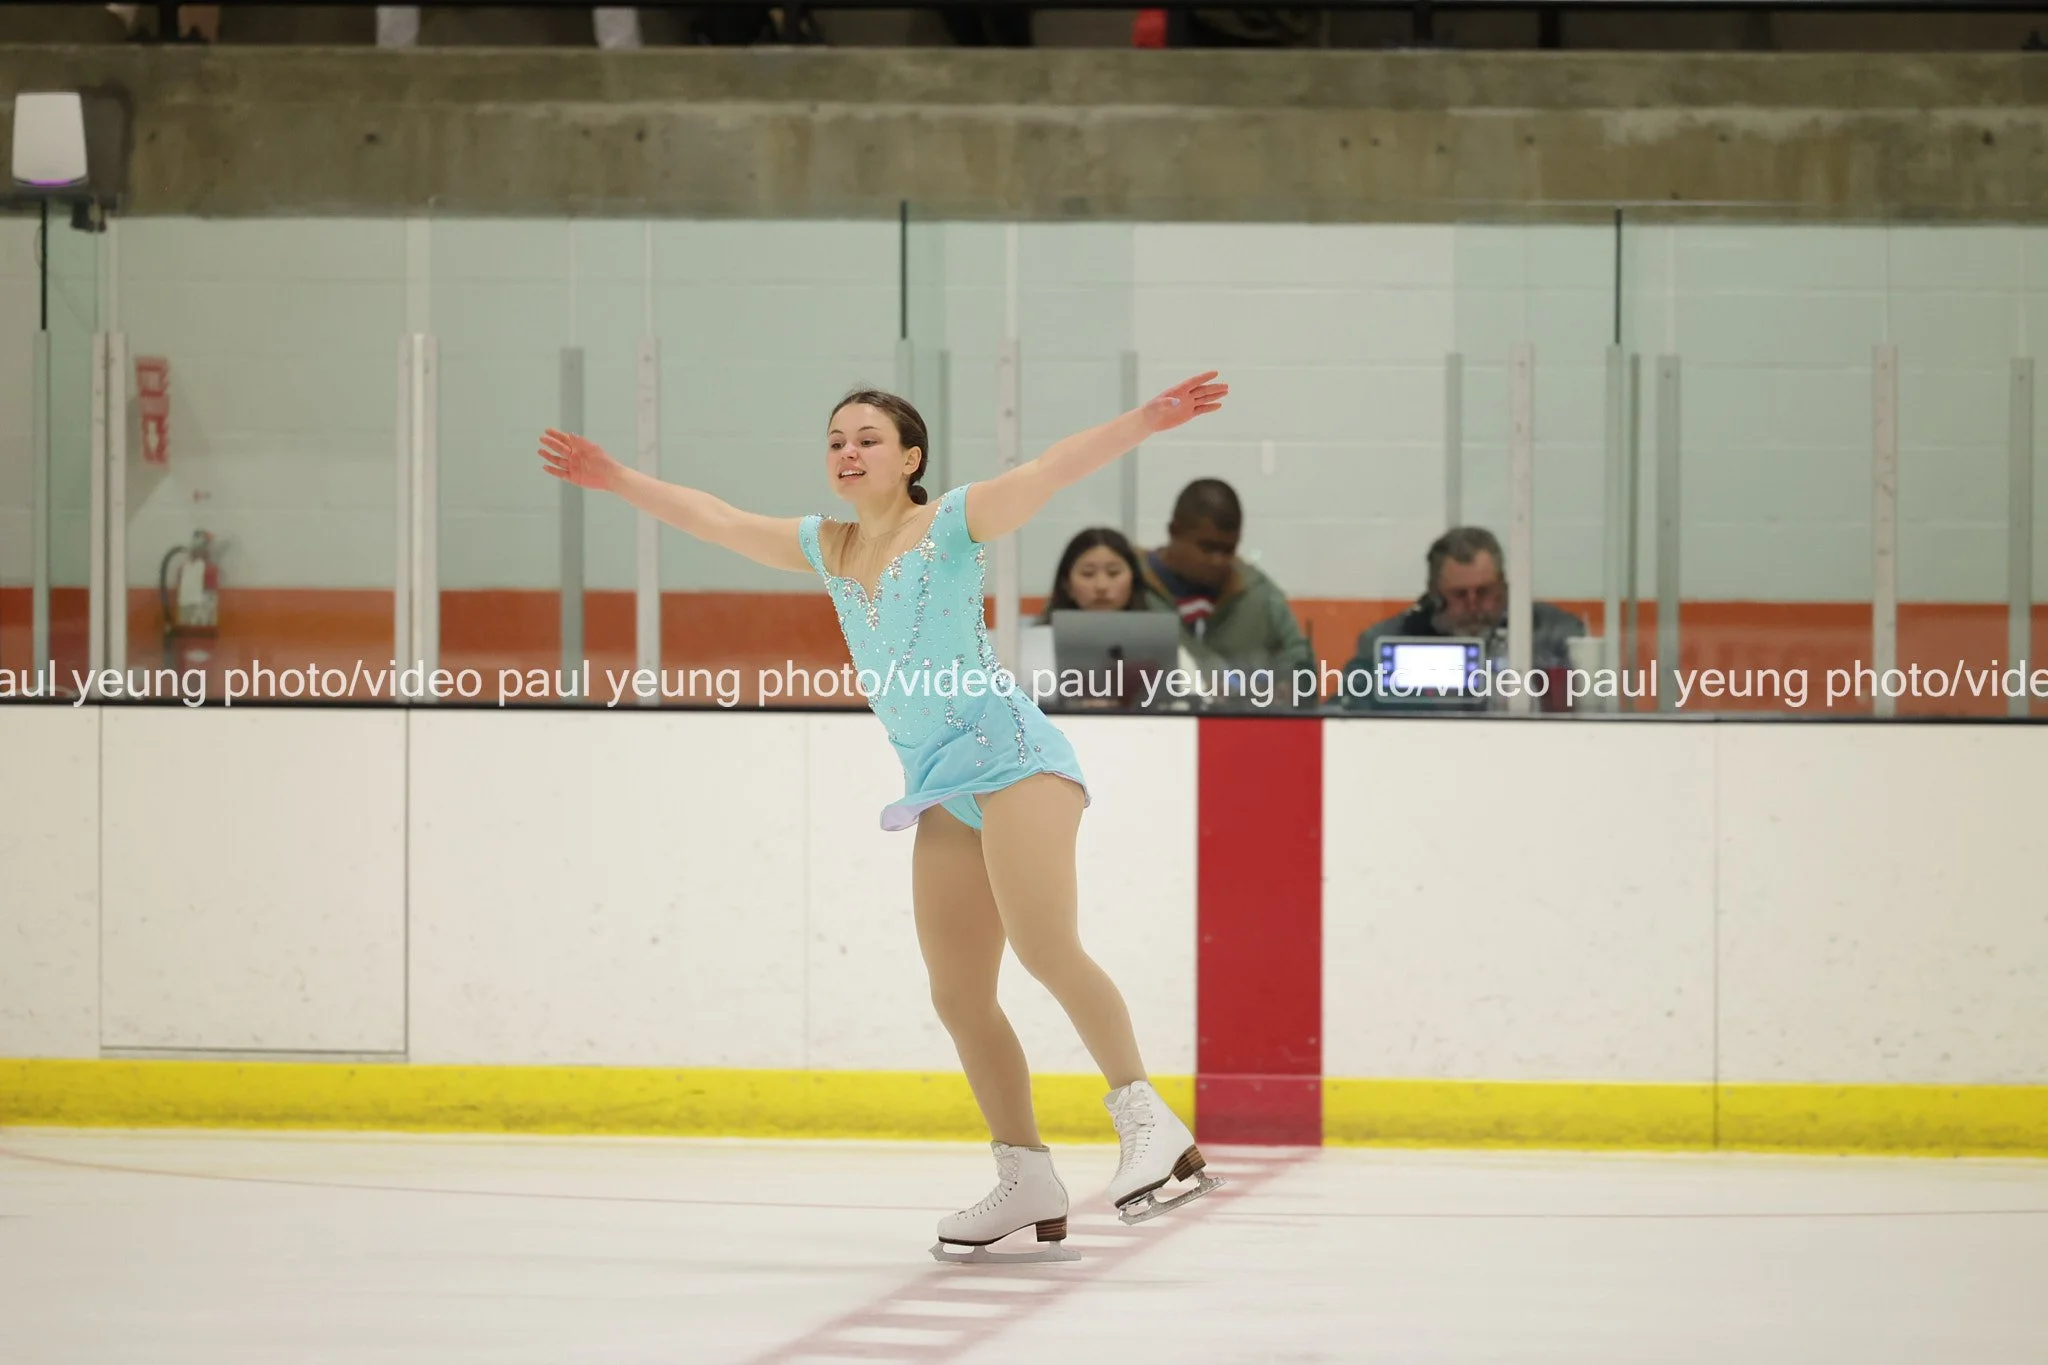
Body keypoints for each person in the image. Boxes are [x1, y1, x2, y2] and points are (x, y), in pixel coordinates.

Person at [535, 371, 1231, 1265]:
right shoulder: (827, 547)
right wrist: (615, 478)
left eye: (867, 438)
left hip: (1015, 759)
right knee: (959, 994)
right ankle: (1026, 1174)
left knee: (1045, 946)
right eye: (835, 440)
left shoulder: (951, 524)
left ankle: (1148, 1120)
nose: (847, 452)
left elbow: (1052, 468)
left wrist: (1146, 419)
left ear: (910, 459)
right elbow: (716, 518)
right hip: (940, 787)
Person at [1341, 525, 1587, 709]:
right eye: (1459, 595)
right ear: (1435, 594)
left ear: (1503, 588)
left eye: (1484, 592)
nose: (1473, 606)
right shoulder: (1389, 640)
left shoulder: (1553, 632)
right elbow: (1347, 714)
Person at [1137, 478, 1317, 703]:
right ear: (1174, 531)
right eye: (1207, 547)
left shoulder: (1259, 596)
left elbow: (1298, 665)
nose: (1218, 561)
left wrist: (1289, 686)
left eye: (1228, 549)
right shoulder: (1130, 588)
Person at [1039, 527, 1147, 619]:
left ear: (1133, 581)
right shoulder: (1041, 635)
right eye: (1088, 574)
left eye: (1113, 573)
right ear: (1066, 585)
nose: (1101, 586)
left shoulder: (1153, 635)